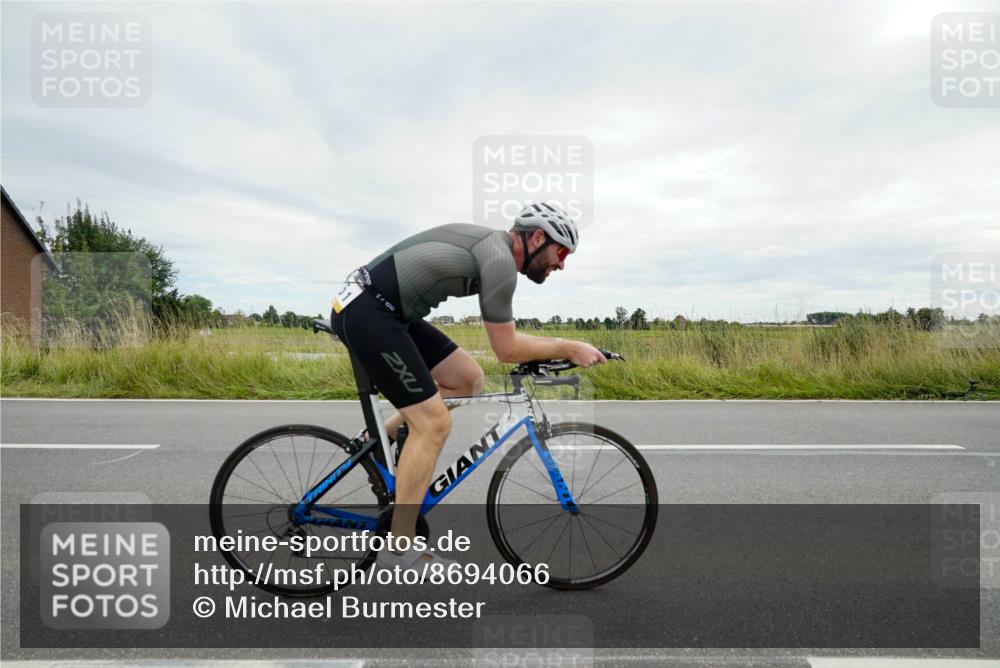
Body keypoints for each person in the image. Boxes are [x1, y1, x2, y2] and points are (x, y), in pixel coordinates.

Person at [329, 202, 606, 572]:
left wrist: (556, 351)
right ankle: (399, 547)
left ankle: (384, 434)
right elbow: (506, 349)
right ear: (538, 238)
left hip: (385, 310)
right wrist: (568, 347)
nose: (561, 263)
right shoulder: (499, 260)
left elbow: (504, 345)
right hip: (368, 311)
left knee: (467, 380)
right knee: (434, 423)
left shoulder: (495, 251)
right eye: (561, 252)